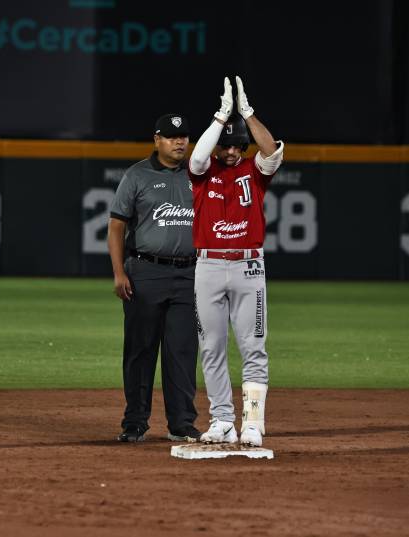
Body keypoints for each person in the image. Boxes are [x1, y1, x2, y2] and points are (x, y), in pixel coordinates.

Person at [187, 77, 285, 446]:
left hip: (248, 266)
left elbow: (271, 151)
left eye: (236, 145)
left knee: (253, 347)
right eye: (226, 145)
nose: (230, 151)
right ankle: (222, 420)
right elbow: (197, 158)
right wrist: (220, 117)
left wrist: (247, 113)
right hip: (208, 266)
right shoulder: (203, 173)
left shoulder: (254, 171)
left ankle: (253, 423)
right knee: (211, 348)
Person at [108, 113, 201, 443]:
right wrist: (119, 272)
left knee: (182, 351)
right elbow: (116, 226)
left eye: (184, 136)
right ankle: (135, 422)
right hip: (145, 271)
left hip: (189, 274)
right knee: (140, 349)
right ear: (157, 139)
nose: (180, 142)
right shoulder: (137, 175)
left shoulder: (198, 173)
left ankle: (181, 423)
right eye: (172, 136)